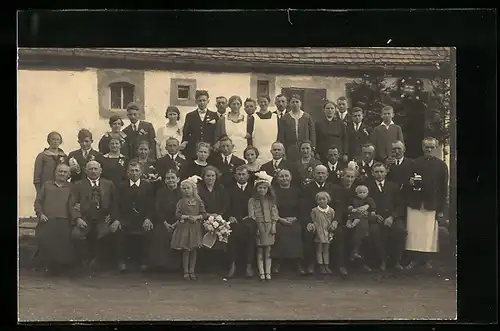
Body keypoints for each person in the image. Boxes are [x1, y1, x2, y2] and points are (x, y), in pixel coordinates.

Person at [403, 137, 449, 271]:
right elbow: (407, 182)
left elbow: (443, 188)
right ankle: (414, 259)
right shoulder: (414, 163)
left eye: (431, 147)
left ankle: (427, 260)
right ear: (422, 148)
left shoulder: (441, 165)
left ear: (435, 148)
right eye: (426, 147)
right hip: (415, 202)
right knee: (414, 232)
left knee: (429, 233)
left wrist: (441, 208)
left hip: (432, 202)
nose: (429, 149)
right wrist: (410, 182)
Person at [69, 161, 119, 271]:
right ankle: (83, 261)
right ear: (86, 171)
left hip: (103, 218)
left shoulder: (108, 184)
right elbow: (72, 204)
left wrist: (114, 218)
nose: (93, 171)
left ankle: (100, 261)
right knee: (76, 235)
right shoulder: (78, 185)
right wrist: (77, 219)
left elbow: (115, 203)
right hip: (85, 218)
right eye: (90, 169)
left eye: (96, 169)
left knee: (106, 234)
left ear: (100, 171)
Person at [299, 165, 347, 277]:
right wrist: (308, 222)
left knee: (339, 233)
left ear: (327, 175)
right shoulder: (307, 189)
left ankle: (340, 265)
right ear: (313, 174)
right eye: (318, 173)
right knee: (308, 233)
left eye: (323, 173)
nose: (320, 176)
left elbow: (339, 208)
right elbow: (303, 208)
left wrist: (336, 221)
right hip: (314, 221)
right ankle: (311, 264)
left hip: (330, 222)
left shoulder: (335, 189)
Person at [34, 164, 76, 275]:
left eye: (65, 172)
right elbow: (38, 202)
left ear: (68, 175)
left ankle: (61, 268)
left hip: (64, 220)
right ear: (55, 172)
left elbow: (74, 205)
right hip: (48, 219)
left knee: (64, 242)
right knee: (46, 239)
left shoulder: (71, 187)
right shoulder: (47, 185)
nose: (62, 174)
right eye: (60, 171)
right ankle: (48, 267)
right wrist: (40, 214)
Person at [113, 161, 155, 272]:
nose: (134, 173)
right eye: (131, 171)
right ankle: (122, 261)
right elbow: (115, 204)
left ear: (141, 172)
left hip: (142, 219)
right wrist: (117, 219)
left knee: (148, 231)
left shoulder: (148, 186)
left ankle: (144, 261)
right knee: (118, 232)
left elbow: (151, 205)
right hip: (125, 219)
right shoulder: (121, 186)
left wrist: (148, 218)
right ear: (127, 172)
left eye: (137, 170)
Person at [367, 163, 405, 271]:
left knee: (399, 230)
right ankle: (383, 260)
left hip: (392, 217)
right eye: (377, 172)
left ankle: (397, 261)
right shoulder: (368, 187)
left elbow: (400, 204)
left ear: (386, 172)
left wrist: (392, 217)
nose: (379, 174)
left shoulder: (393, 186)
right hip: (376, 218)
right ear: (372, 173)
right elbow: (364, 203)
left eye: (381, 171)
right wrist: (374, 216)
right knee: (375, 231)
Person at [170, 177, 207, 280]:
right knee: (186, 249)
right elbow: (177, 214)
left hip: (195, 227)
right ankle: (186, 271)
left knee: (194, 249)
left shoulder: (199, 201)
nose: (186, 190)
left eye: (188, 188)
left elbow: (204, 214)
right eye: (184, 188)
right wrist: (185, 217)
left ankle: (192, 270)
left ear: (193, 189)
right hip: (185, 227)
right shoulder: (181, 202)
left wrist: (197, 217)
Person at [225, 165, 256, 278]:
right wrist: (230, 216)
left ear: (248, 176)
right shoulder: (229, 190)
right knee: (232, 232)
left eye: (243, 174)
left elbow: (256, 206)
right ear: (235, 176)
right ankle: (232, 265)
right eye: (239, 174)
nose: (241, 177)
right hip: (234, 219)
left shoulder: (253, 189)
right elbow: (226, 207)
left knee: (250, 230)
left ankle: (248, 265)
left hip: (249, 219)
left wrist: (250, 216)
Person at [197, 166, 229, 273]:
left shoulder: (221, 188)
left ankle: (217, 264)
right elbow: (198, 204)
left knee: (221, 229)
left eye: (212, 176)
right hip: (203, 216)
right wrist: (207, 215)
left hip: (218, 216)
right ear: (203, 177)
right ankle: (204, 265)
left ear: (216, 177)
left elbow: (225, 204)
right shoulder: (199, 189)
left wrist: (218, 215)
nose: (210, 178)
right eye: (207, 176)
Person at [272, 169, 304, 275]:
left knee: (296, 230)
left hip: (294, 218)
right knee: (279, 231)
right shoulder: (273, 191)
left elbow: (301, 207)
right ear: (277, 179)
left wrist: (295, 218)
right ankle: (277, 262)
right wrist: (280, 219)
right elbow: (271, 207)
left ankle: (298, 262)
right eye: (281, 176)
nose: (284, 178)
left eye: (286, 176)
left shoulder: (297, 191)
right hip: (278, 219)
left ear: (290, 177)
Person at [149, 169, 182, 271]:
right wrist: (164, 223)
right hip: (163, 221)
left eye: (173, 178)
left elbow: (185, 209)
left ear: (178, 179)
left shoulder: (182, 192)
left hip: (179, 221)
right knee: (159, 233)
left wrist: (177, 223)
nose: (170, 180)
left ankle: (177, 266)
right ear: (165, 180)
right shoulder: (160, 192)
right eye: (168, 178)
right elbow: (157, 208)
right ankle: (161, 265)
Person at [248, 171, 278, 281]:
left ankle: (268, 272)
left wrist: (273, 226)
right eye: (260, 188)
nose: (262, 190)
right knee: (260, 250)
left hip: (269, 225)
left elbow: (274, 214)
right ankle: (261, 272)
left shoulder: (271, 200)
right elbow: (252, 215)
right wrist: (256, 227)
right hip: (259, 226)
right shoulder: (252, 201)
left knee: (268, 250)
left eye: (264, 188)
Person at [180, 90, 218, 160]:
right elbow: (186, 134)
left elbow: (216, 133)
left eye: (204, 100)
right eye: (200, 101)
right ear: (196, 101)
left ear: (208, 101)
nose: (202, 103)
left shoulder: (214, 115)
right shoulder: (190, 116)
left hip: (209, 150)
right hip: (194, 150)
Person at [346, 184, 377, 269]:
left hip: (364, 218)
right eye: (360, 192)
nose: (362, 194)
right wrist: (351, 208)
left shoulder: (369, 200)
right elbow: (350, 206)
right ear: (356, 193)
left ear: (367, 193)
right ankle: (355, 251)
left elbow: (373, 207)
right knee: (356, 220)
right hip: (355, 216)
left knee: (362, 225)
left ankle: (355, 251)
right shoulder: (354, 200)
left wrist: (373, 211)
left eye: (364, 192)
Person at [278, 94, 316, 162]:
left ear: (301, 103)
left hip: (305, 149)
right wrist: (283, 150)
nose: (295, 104)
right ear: (289, 104)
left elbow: (312, 133)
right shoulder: (285, 118)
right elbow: (281, 135)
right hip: (290, 149)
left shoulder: (307, 117)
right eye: (293, 102)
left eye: (297, 102)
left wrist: (312, 147)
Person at [307, 191, 337, 275]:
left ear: (328, 200)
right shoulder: (315, 211)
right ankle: (320, 265)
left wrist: (331, 231)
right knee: (319, 250)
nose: (322, 201)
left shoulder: (331, 210)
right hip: (319, 232)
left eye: (324, 199)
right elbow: (312, 220)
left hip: (327, 232)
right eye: (319, 199)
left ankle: (326, 265)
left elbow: (332, 220)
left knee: (326, 250)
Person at [214, 95, 251, 160]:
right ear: (229, 105)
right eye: (233, 104)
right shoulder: (223, 119)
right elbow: (217, 137)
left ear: (240, 105)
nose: (236, 106)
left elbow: (251, 135)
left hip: (242, 151)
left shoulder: (246, 118)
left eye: (238, 104)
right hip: (228, 151)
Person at [33, 131, 68, 196]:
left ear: (60, 142)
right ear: (49, 141)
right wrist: (39, 192)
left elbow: (67, 173)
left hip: (61, 189)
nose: (55, 141)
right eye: (53, 139)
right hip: (46, 189)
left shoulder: (64, 156)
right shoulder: (42, 156)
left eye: (58, 139)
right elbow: (37, 177)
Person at [249, 95, 280, 164]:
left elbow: (279, 134)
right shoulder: (253, 118)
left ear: (268, 102)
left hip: (272, 152)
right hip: (257, 153)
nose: (263, 104)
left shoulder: (275, 117)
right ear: (258, 103)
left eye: (265, 101)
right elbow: (249, 136)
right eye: (261, 102)